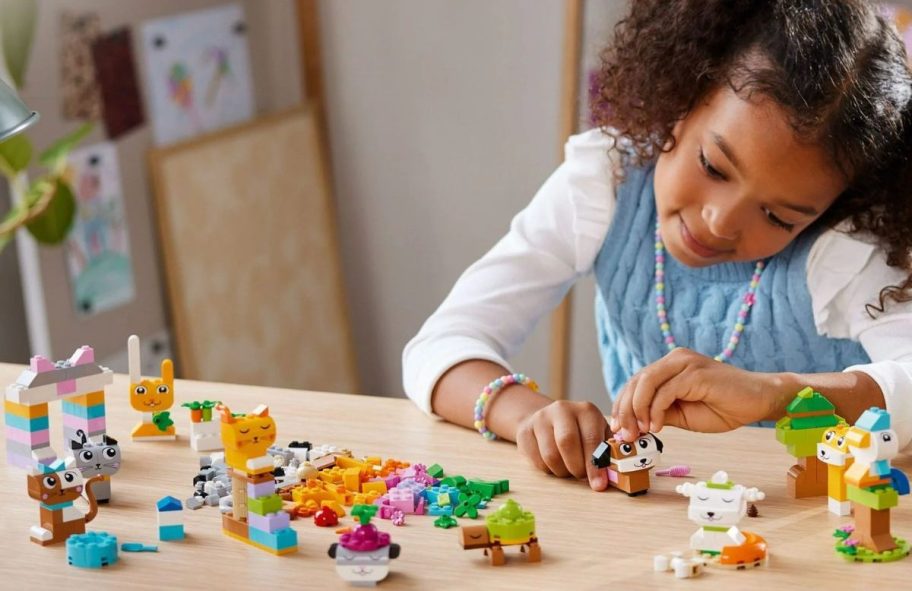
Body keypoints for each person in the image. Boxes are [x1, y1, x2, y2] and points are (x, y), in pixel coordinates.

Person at [403, 0, 912, 491]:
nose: (719, 221)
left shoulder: (850, 249)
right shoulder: (607, 182)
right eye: (713, 166)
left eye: (779, 216)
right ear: (682, 99)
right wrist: (532, 417)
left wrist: (774, 396)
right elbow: (441, 345)